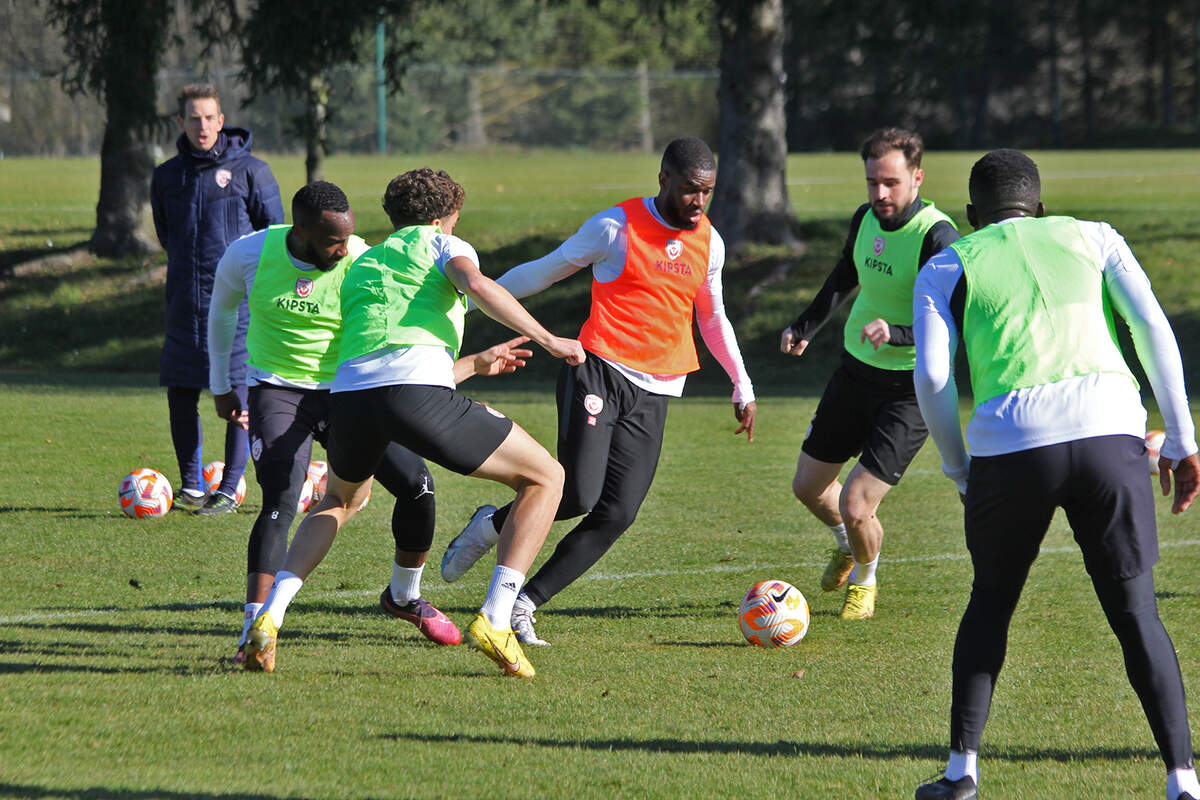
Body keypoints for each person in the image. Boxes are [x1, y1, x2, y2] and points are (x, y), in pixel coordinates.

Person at [912, 148, 1200, 800]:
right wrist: (1181, 441)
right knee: (1136, 614)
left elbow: (930, 374)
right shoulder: (1095, 237)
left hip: (1010, 445)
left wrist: (960, 467)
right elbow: (1151, 325)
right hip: (1108, 433)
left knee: (991, 603)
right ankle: (1183, 780)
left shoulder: (948, 261)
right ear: (1040, 208)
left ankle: (962, 774)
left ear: (970, 216)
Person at [243, 167, 584, 678]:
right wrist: (551, 339)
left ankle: (269, 617)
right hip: (412, 394)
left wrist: (473, 364)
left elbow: (386, 366)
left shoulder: (364, 263)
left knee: (339, 500)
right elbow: (477, 285)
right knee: (547, 477)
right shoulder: (443, 245)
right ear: (445, 218)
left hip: (351, 400)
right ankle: (496, 618)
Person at [439, 136, 756, 647]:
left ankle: (523, 603)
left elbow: (711, 315)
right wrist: (476, 301)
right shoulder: (616, 226)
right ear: (664, 180)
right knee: (578, 492)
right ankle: (488, 528)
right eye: (690, 190)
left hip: (659, 388)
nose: (698, 202)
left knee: (618, 513)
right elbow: (545, 270)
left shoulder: (710, 242)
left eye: (707, 192)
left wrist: (742, 383)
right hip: (598, 370)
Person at [779, 127, 960, 619]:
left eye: (891, 183)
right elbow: (846, 274)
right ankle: (847, 543)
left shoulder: (938, 237)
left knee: (859, 503)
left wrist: (899, 333)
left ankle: (865, 577)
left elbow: (954, 321)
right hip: (856, 372)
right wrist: (806, 325)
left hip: (910, 388)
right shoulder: (865, 218)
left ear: (917, 177)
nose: (880, 194)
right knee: (808, 487)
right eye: (872, 182)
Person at [151, 83, 283, 514]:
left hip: (239, 306)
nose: (202, 125)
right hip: (184, 303)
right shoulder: (167, 175)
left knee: (238, 395)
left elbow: (275, 236)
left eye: (209, 117)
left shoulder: (252, 172)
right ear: (180, 122)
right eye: (193, 118)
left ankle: (228, 487)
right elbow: (166, 235)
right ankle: (190, 486)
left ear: (222, 121)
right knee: (181, 391)